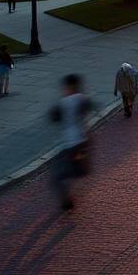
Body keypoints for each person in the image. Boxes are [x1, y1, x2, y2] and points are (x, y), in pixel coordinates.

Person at [50, 73, 94, 211]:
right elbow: (88, 107)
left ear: (69, 87)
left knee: (58, 175)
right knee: (78, 168)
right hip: (81, 142)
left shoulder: (65, 102)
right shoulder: (81, 99)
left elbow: (54, 116)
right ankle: (67, 197)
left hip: (71, 144)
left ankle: (66, 200)